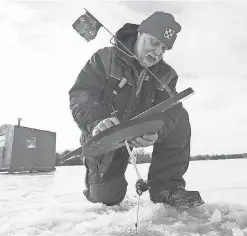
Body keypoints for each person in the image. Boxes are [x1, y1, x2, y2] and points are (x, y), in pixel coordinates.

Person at [69, 11, 204, 210]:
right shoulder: (105, 58)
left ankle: (167, 187)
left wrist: (158, 132)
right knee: (107, 198)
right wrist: (96, 123)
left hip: (135, 134)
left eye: (164, 49)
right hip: (104, 138)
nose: (158, 52)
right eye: (155, 43)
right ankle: (98, 177)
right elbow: (82, 94)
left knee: (179, 114)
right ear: (141, 33)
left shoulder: (166, 75)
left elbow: (171, 114)